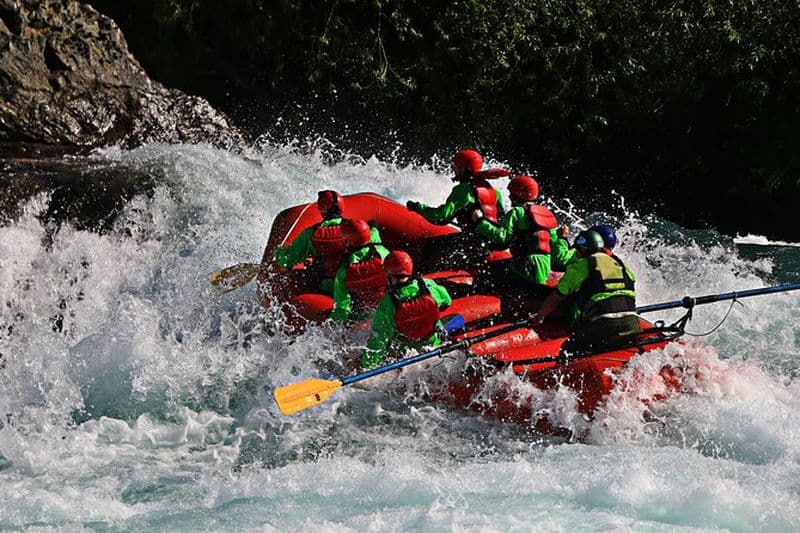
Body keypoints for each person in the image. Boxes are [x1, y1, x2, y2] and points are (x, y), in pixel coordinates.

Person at [531, 229, 640, 354]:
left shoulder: (579, 267)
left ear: (583, 249)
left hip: (603, 324)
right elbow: (630, 285)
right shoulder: (621, 264)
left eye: (578, 249)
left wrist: (539, 316)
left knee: (567, 350)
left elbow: (555, 298)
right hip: (632, 322)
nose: (576, 252)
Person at [407, 149, 509, 269]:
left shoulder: (463, 189)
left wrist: (418, 208)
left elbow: (441, 218)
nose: (453, 170)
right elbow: (502, 220)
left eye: (456, 167)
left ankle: (418, 276)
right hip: (491, 245)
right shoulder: (495, 191)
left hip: (473, 243)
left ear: (463, 169)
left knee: (433, 245)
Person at [476, 175, 570, 292]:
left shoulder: (517, 212)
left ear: (519, 194)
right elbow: (556, 255)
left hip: (523, 267)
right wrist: (563, 238)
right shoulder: (547, 214)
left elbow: (502, 238)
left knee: (485, 274)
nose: (509, 196)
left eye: (511, 193)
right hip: (543, 270)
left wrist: (480, 221)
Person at [361, 251, 453, 369]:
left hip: (406, 353)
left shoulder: (387, 303)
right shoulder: (428, 285)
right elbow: (447, 301)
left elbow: (379, 339)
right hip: (434, 344)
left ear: (388, 274)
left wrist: (365, 365)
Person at [273, 190, 347, 294]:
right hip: (351, 284)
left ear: (321, 209)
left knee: (300, 275)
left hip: (325, 286)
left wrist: (278, 252)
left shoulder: (311, 233)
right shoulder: (355, 228)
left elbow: (286, 260)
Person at [330, 218, 391, 323]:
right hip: (387, 307)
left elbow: (342, 304)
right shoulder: (382, 254)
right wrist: (374, 227)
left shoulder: (344, 269)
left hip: (361, 313)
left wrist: (337, 323)